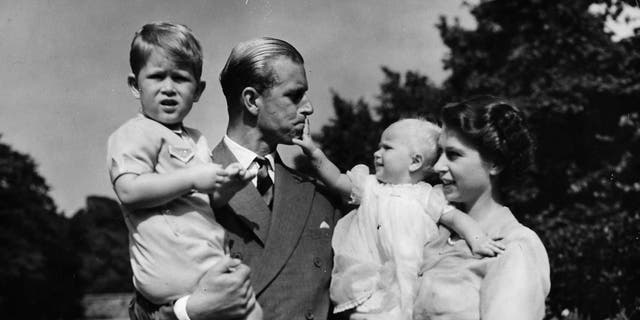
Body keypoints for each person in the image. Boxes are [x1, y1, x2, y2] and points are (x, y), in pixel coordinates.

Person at [107, 22, 262, 320]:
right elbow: (129, 191)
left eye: (180, 79)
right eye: (156, 77)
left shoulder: (196, 139)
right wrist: (192, 178)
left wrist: (226, 187)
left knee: (253, 312)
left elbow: (206, 201)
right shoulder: (133, 134)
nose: (168, 89)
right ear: (134, 85)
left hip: (209, 266)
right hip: (170, 274)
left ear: (198, 90)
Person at [293, 118, 505, 319]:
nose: (377, 153)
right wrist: (313, 152)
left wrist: (478, 240)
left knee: (413, 307)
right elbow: (337, 180)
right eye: (379, 147)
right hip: (371, 278)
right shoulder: (370, 187)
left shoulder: (428, 195)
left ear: (415, 161)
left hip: (411, 275)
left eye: (387, 148)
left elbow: (457, 219)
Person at [206, 37, 343, 320]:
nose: (309, 108)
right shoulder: (188, 187)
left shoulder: (320, 198)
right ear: (252, 100)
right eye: (295, 95)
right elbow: (150, 306)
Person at [412, 96, 551, 320]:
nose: (438, 166)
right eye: (440, 153)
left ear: (495, 163)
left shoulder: (514, 246)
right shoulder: (430, 227)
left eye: (454, 155)